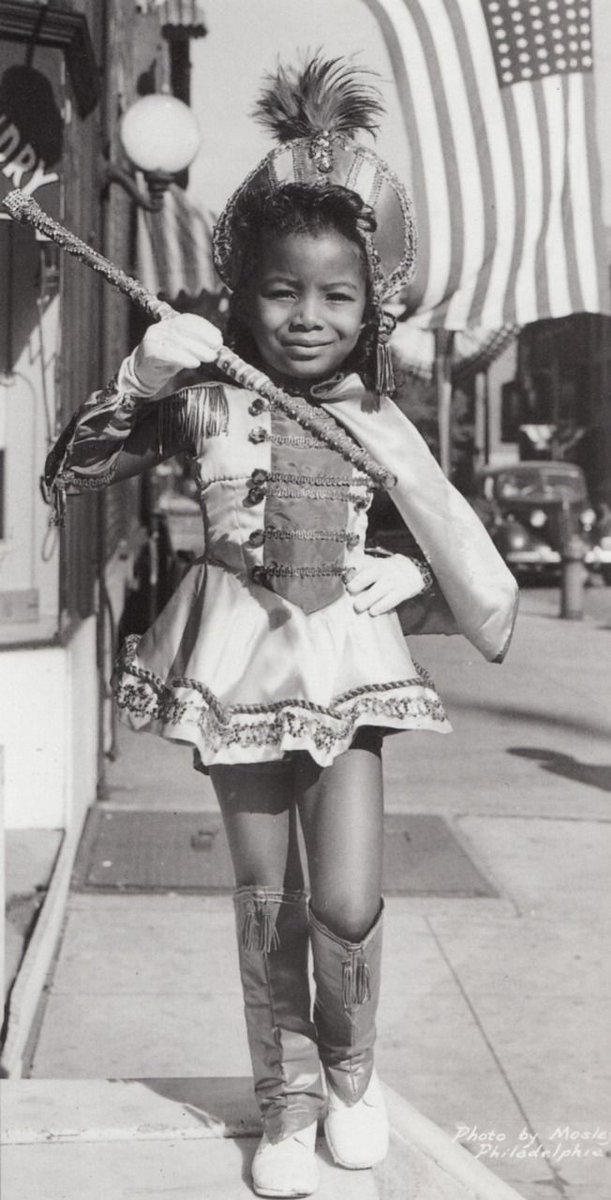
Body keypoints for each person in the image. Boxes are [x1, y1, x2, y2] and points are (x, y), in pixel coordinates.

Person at [44, 57, 518, 1199]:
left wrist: (407, 575)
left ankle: (352, 1072)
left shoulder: (375, 417)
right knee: (268, 902)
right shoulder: (203, 388)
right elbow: (70, 476)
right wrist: (137, 381)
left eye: (335, 298)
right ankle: (288, 1102)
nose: (306, 318)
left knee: (345, 898)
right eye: (280, 293)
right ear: (240, 290)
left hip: (341, 668)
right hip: (232, 662)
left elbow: (458, 545)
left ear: (372, 307)